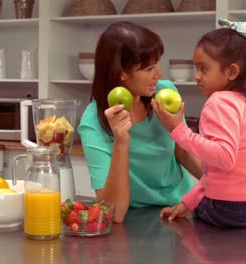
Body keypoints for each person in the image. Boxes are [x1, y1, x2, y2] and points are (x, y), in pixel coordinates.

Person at [155, 18, 246, 228]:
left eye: (204, 69)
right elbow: (217, 172)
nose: (197, 76)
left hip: (229, 209)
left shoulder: (218, 102)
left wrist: (178, 130)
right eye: (196, 68)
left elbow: (223, 158)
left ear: (231, 72)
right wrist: (188, 202)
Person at [77, 21, 202, 223]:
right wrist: (121, 140)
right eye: (149, 68)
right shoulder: (93, 123)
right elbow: (114, 213)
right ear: (122, 73)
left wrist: (221, 185)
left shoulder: (164, 92)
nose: (158, 74)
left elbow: (182, 152)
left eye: (157, 64)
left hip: (180, 211)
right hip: (134, 222)